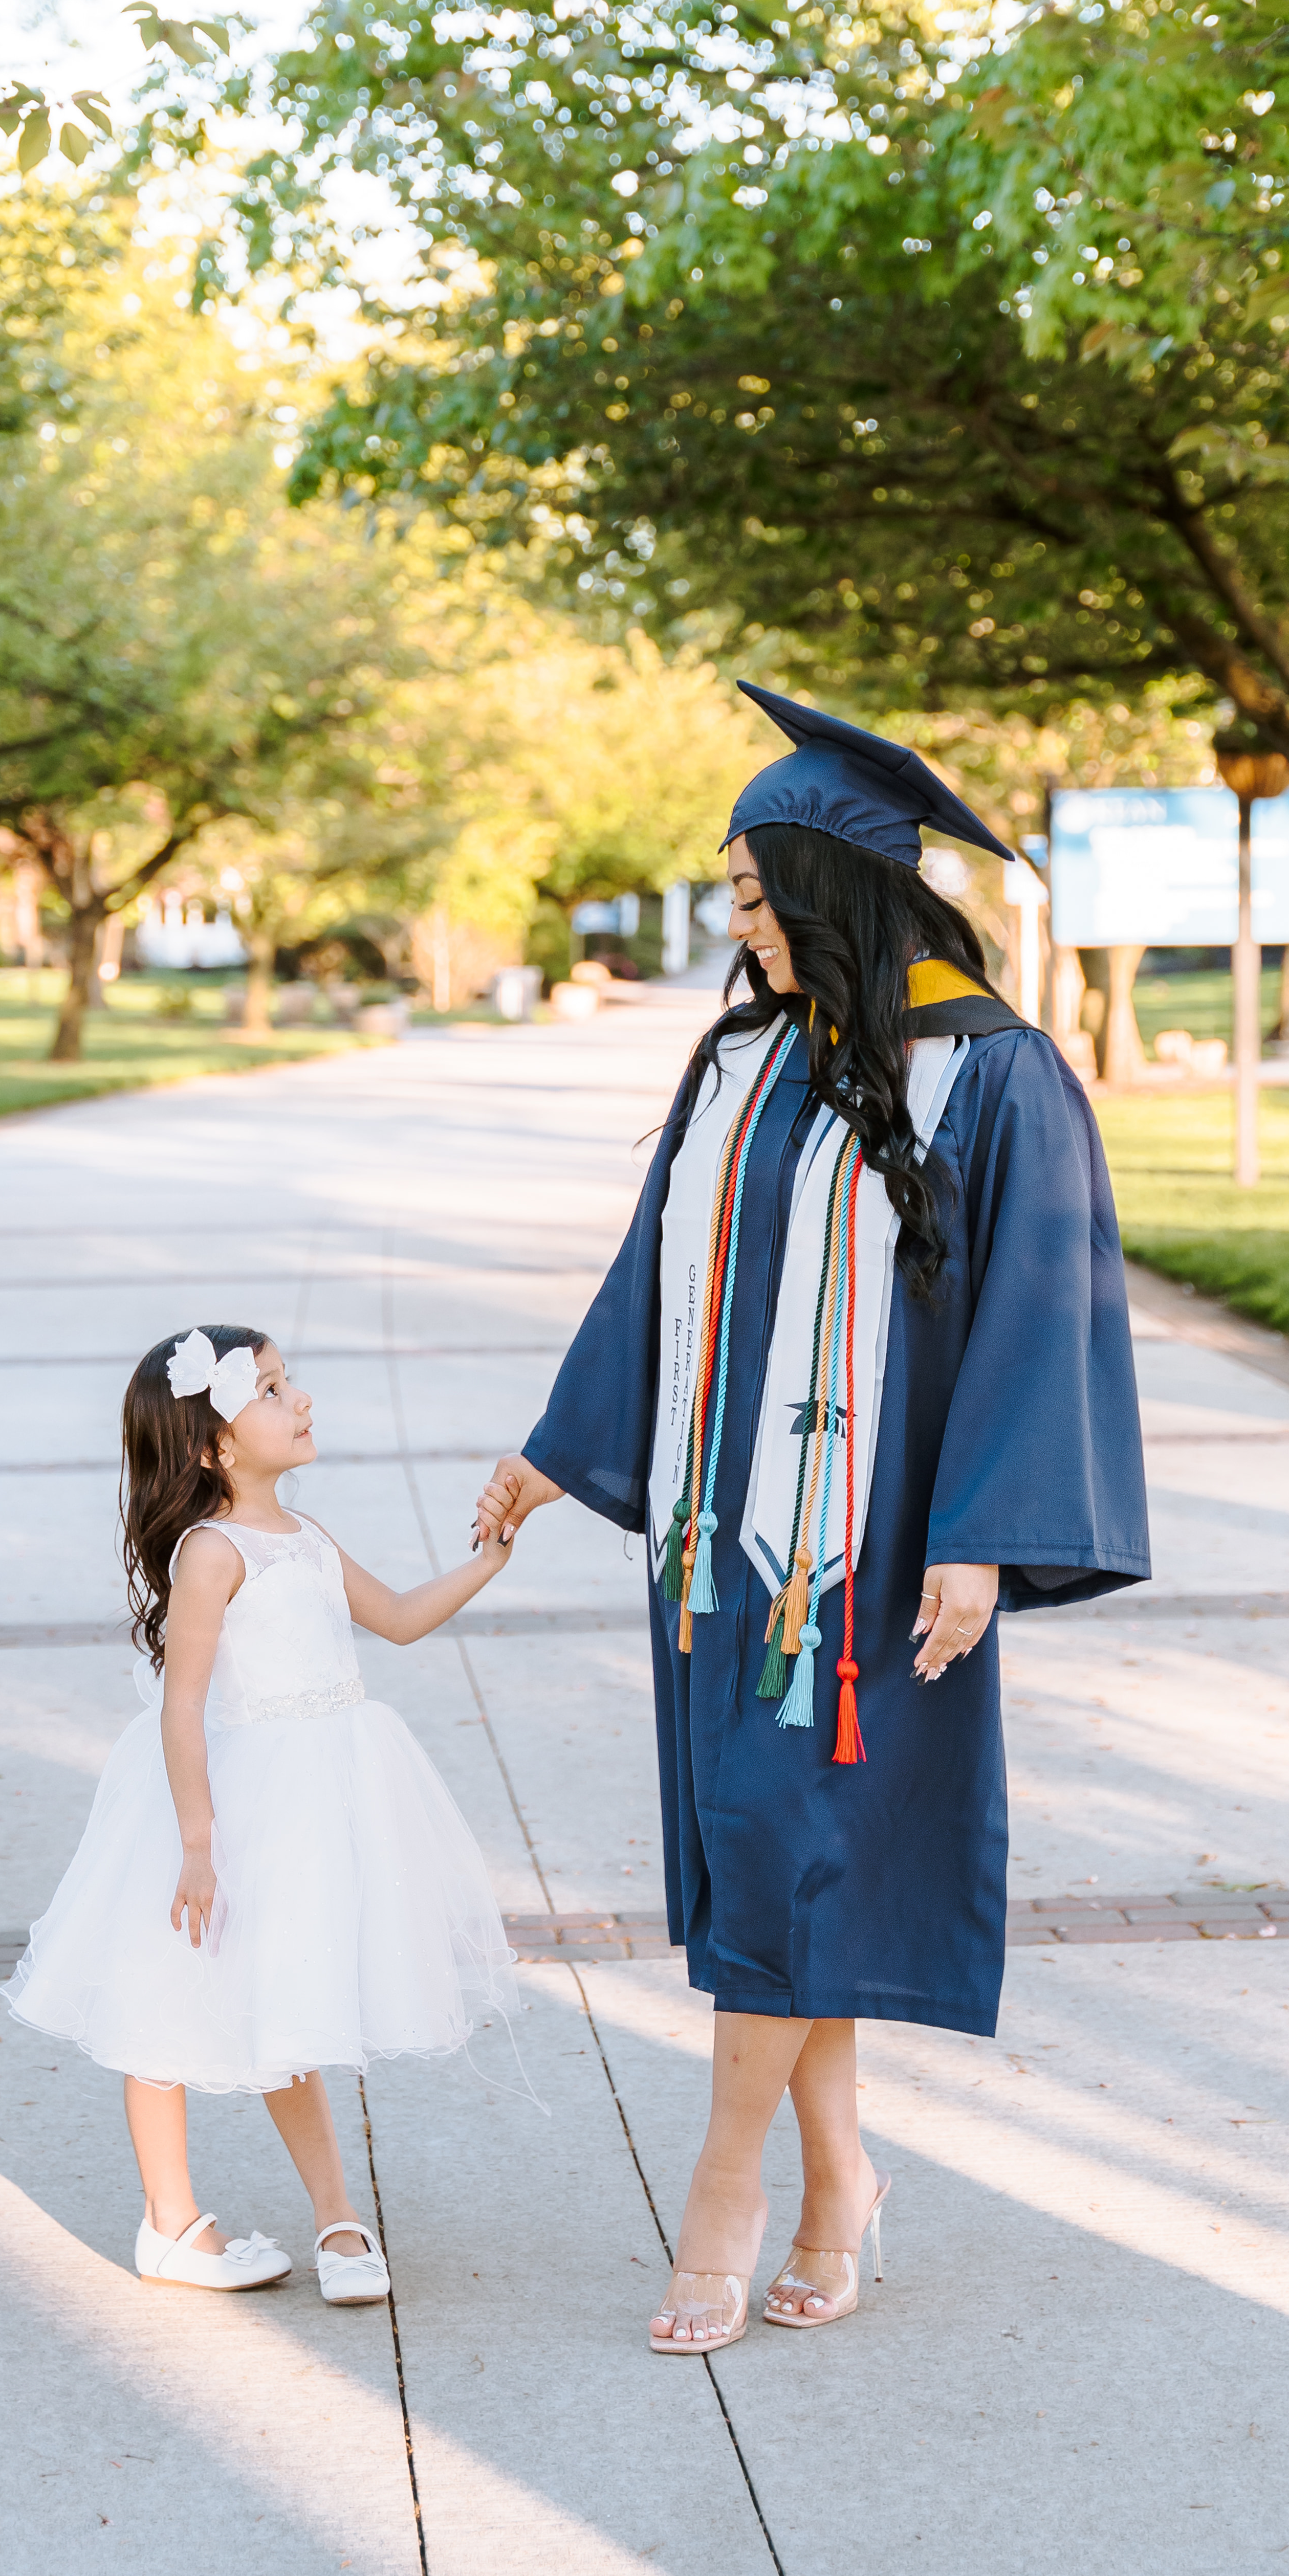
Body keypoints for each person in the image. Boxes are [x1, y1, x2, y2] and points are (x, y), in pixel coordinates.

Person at [476, 684, 1149, 2354]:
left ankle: (728, 2191)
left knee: (787, 1849)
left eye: (758, 893)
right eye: (730, 893)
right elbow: (662, 1270)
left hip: (865, 1568)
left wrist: (986, 1532)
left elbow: (1035, 1313)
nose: (735, 922)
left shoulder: (992, 1078)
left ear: (839, 893)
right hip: (722, 1555)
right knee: (779, 1873)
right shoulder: (750, 1061)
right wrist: (562, 1451)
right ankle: (847, 2179)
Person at [6, 1324, 519, 2305]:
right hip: (229, 1808)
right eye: (274, 1390)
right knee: (162, 2000)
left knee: (289, 2000)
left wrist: (487, 1562)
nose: (303, 1401)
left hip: (316, 1800)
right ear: (216, 1446)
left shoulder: (310, 1538)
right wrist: (199, 1842)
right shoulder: (212, 1553)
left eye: (291, 1383)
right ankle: (172, 2225)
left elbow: (402, 1619)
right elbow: (184, 1703)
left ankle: (337, 2218)